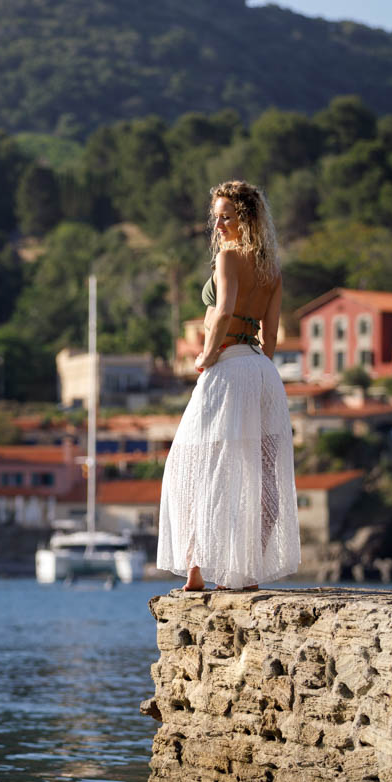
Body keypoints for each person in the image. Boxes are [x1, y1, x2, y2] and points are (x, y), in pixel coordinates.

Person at [157, 180, 300, 591]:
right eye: (216, 217)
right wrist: (257, 372)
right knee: (259, 471)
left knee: (192, 464)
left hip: (228, 364)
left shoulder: (229, 257)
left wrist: (206, 355)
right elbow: (270, 337)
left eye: (227, 217)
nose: (218, 225)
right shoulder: (271, 267)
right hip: (261, 371)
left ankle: (197, 570)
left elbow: (221, 313)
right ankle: (246, 570)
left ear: (246, 219)